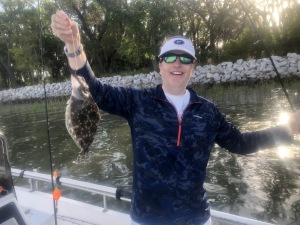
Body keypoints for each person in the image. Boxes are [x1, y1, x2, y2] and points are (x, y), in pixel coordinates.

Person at [51, 10, 300, 225]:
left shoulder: (208, 111)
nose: (177, 63)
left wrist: (287, 129)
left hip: (196, 218)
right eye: (169, 57)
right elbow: (95, 89)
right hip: (145, 218)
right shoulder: (137, 102)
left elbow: (241, 143)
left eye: (185, 58)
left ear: (193, 67)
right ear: (160, 65)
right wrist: (73, 44)